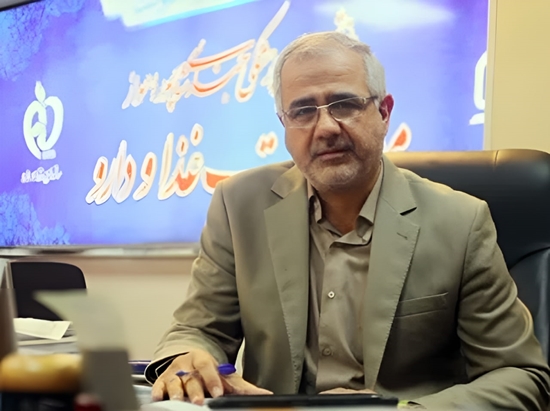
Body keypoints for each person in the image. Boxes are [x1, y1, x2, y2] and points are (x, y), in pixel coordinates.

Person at [144, 31, 550, 410]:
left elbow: (521, 376)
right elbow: (199, 330)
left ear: (384, 112)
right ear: (284, 125)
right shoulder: (238, 205)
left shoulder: (461, 221)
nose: (325, 128)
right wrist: (189, 358)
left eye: (344, 104)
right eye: (303, 111)